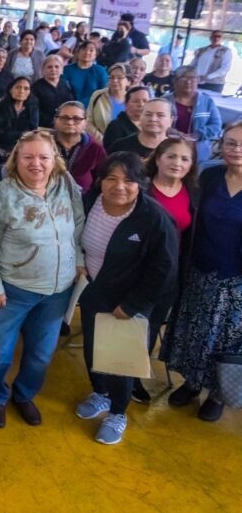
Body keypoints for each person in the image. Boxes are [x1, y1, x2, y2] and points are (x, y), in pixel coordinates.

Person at [0, 129, 85, 428]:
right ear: (15, 161)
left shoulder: (66, 185)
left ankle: (24, 395)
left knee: (41, 354)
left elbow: (78, 222)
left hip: (58, 291)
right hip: (11, 291)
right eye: (28, 157)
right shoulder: (1, 195)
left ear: (55, 160)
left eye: (44, 157)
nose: (37, 163)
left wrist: (79, 261)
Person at [75, 152, 178, 445]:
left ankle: (118, 412)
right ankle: (101, 394)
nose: (119, 186)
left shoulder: (153, 217)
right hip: (96, 290)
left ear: (141, 184)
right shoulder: (89, 202)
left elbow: (165, 268)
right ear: (100, 181)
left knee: (121, 359)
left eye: (129, 180)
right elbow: (73, 235)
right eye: (112, 178)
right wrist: (79, 261)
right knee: (94, 349)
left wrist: (133, 305)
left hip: (131, 300)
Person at [162, 121, 242, 422]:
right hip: (200, 269)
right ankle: (192, 384)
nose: (237, 149)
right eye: (231, 142)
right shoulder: (209, 177)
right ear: (222, 144)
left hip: (236, 279)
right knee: (195, 331)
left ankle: (218, 394)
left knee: (227, 339)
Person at [132, 136, 197, 403]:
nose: (177, 162)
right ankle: (113, 379)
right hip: (135, 270)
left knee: (151, 327)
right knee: (131, 325)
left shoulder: (194, 193)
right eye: (171, 156)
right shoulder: (140, 188)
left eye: (184, 158)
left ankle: (133, 376)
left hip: (169, 275)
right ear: (158, 158)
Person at [162, 66, 222, 164]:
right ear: (175, 80)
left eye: (192, 78)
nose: (188, 82)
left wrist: (198, 134)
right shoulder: (164, 100)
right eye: (183, 78)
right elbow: (156, 123)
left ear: (197, 80)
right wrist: (171, 131)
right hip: (168, 147)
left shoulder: (207, 102)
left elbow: (216, 126)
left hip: (197, 152)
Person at [0, 77, 38, 171]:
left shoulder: (32, 109)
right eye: (18, 87)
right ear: (10, 90)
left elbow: (32, 132)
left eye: (26, 88)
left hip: (22, 153)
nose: (21, 91)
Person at [88, 63, 130, 141]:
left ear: (128, 82)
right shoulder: (98, 95)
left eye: (120, 78)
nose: (115, 80)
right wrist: (103, 141)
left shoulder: (133, 100)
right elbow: (88, 121)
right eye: (112, 77)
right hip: (99, 144)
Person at [30, 55, 75, 127]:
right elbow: (34, 110)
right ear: (43, 70)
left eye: (57, 67)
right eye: (49, 67)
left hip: (67, 124)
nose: (53, 69)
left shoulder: (66, 83)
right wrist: (54, 122)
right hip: (45, 127)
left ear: (61, 69)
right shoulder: (36, 87)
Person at [62, 41, 108, 108]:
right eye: (84, 49)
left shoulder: (100, 71)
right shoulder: (67, 69)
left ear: (96, 55)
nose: (87, 52)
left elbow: (103, 94)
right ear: (78, 52)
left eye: (91, 50)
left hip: (92, 109)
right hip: (69, 107)